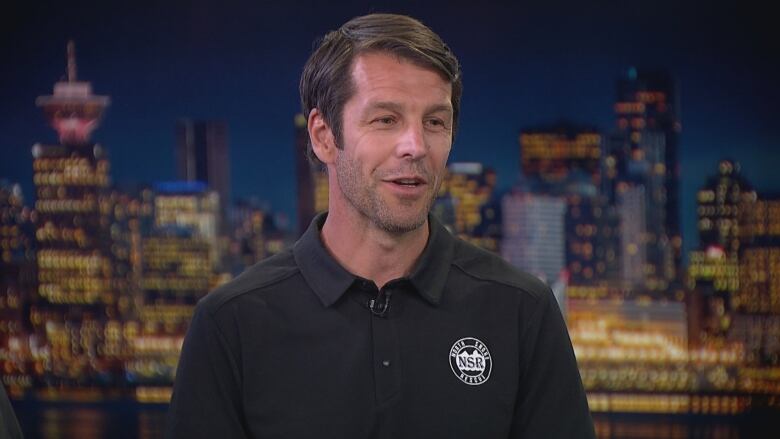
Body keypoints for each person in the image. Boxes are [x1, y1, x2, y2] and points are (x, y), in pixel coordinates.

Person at [166, 13, 595, 438]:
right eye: (386, 120)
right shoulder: (230, 324)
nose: (416, 146)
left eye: (435, 122)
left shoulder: (522, 310)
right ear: (322, 135)